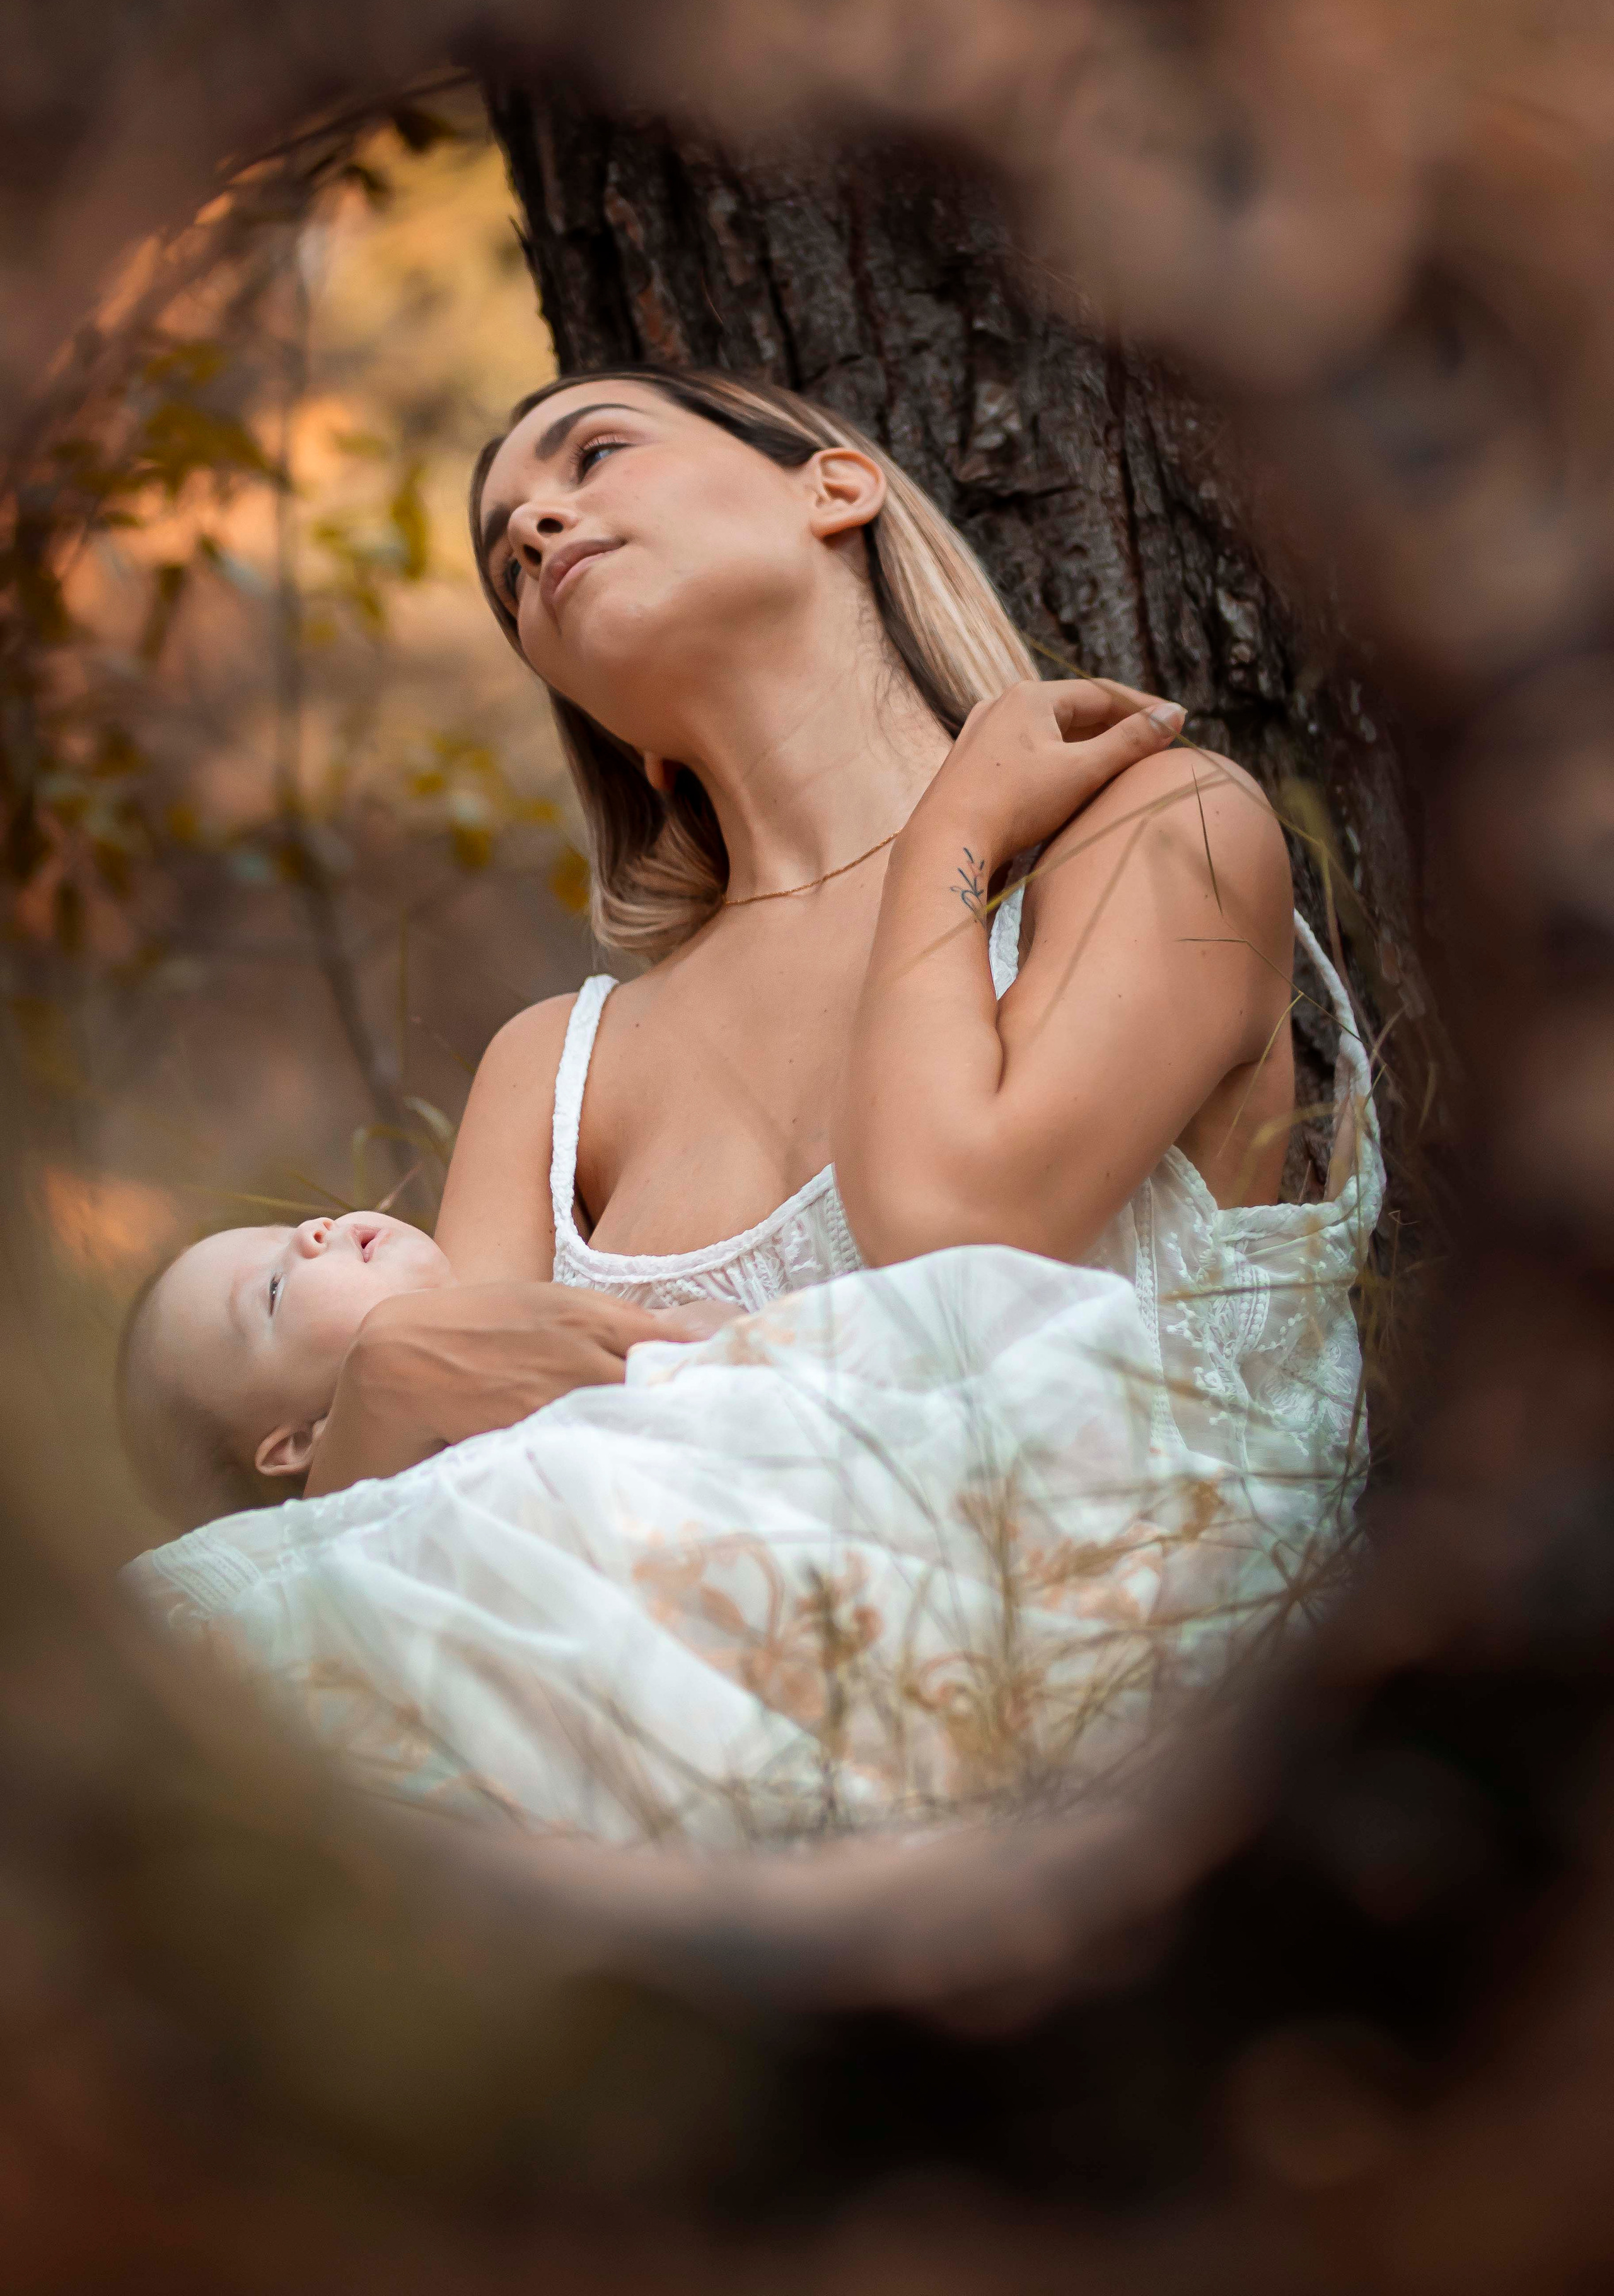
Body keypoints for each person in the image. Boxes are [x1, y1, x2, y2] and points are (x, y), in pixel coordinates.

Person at [126, 368, 1381, 1843]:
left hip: (1111, 1790)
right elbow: (438, 1560)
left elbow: (958, 1227)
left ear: (832, 488)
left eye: (593, 453)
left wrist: (948, 834)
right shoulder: (554, 1065)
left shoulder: (1158, 827)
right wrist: (380, 1390)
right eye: (505, 563)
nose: (533, 528)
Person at [117, 1209, 735, 1532]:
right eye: (274, 1289)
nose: (312, 1232)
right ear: (298, 1442)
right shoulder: (414, 1509)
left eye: (284, 1230)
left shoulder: (519, 1328)